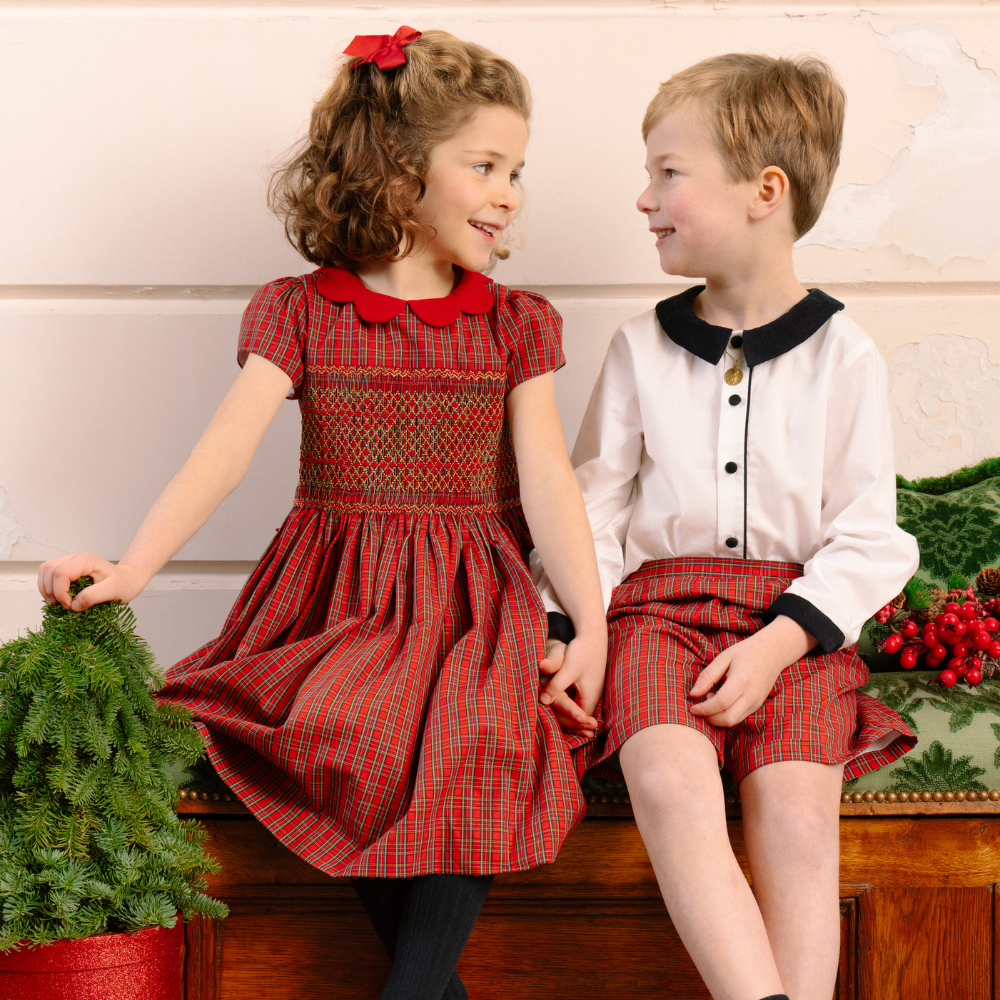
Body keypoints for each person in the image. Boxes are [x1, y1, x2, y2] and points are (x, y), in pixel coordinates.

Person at [37, 27, 607, 1000]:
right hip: (334, 600)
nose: (509, 189)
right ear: (395, 167)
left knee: (475, 730)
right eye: (484, 163)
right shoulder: (300, 312)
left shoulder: (516, 324)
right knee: (346, 727)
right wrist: (132, 568)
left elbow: (549, 478)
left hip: (473, 606)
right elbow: (223, 454)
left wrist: (589, 622)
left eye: (517, 167)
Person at [539, 54, 919, 1000]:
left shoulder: (847, 355)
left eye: (668, 172)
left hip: (794, 627)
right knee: (669, 780)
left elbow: (870, 538)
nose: (644, 197)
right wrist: (580, 631)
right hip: (656, 617)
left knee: (795, 816)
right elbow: (593, 514)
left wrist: (777, 646)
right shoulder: (639, 347)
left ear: (765, 191)